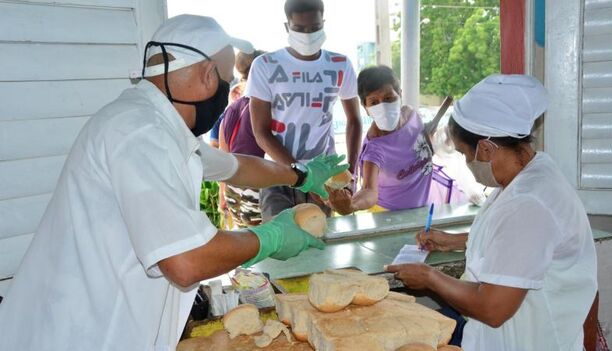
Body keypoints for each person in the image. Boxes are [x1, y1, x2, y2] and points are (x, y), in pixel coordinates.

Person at [0, 15, 348, 351]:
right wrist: (269, 237)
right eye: (226, 81)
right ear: (209, 75)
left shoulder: (156, 125)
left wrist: (301, 175)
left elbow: (237, 166)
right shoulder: (139, 133)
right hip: (77, 335)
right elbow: (187, 262)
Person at [386, 74, 598, 351]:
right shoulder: (531, 172)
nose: (467, 162)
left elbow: (492, 308)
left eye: (464, 153)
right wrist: (456, 240)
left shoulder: (528, 203)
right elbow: (521, 244)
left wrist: (430, 277)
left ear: (486, 148)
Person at [246, 0, 362, 221]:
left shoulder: (339, 64)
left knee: (319, 244)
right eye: (299, 29)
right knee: (281, 245)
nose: (308, 35)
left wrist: (350, 175)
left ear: (323, 23)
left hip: (323, 176)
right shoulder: (266, 65)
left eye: (315, 28)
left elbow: (354, 121)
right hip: (277, 175)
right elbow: (261, 132)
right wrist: (302, 174)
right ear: (286, 26)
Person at [326, 65, 466, 215]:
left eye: (388, 98)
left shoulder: (412, 116)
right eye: (374, 102)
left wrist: (435, 143)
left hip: (423, 208)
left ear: (400, 95)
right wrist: (352, 205)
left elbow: (421, 148)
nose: (383, 106)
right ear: (365, 107)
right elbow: (369, 190)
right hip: (388, 217)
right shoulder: (374, 149)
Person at [219, 50, 267, 228]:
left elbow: (223, 154)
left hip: (234, 190)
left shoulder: (233, 106)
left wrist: (222, 194)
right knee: (266, 246)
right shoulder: (265, 107)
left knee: (246, 243)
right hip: (256, 188)